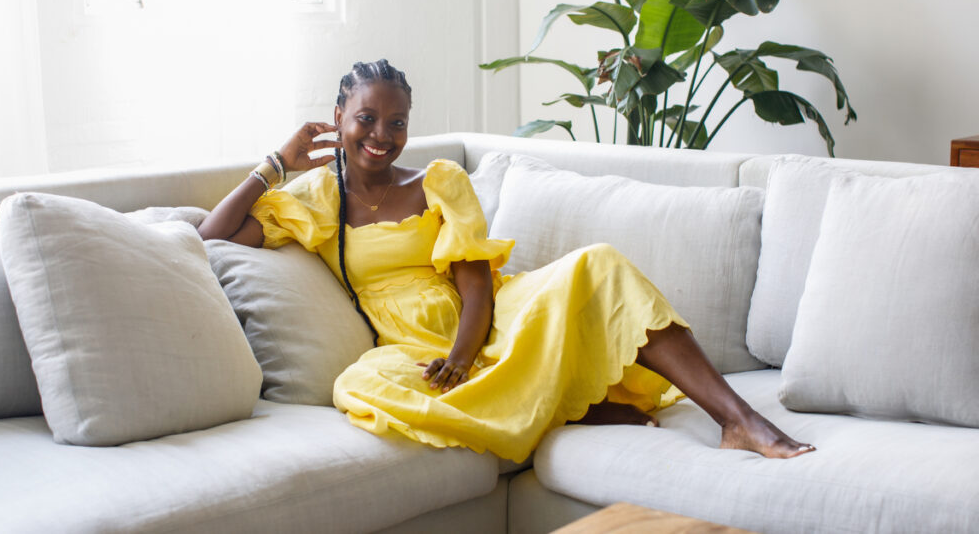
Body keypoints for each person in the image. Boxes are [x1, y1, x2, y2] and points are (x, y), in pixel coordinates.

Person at [198, 59, 815, 462]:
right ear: (337, 119)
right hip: (411, 344)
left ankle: (739, 419)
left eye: (396, 122)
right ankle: (568, 405)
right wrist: (275, 164)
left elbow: (475, 287)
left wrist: (464, 356)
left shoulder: (437, 181)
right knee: (357, 384)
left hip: (481, 321)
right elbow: (212, 235)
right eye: (365, 119)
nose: (380, 135)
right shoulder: (316, 199)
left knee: (599, 264)